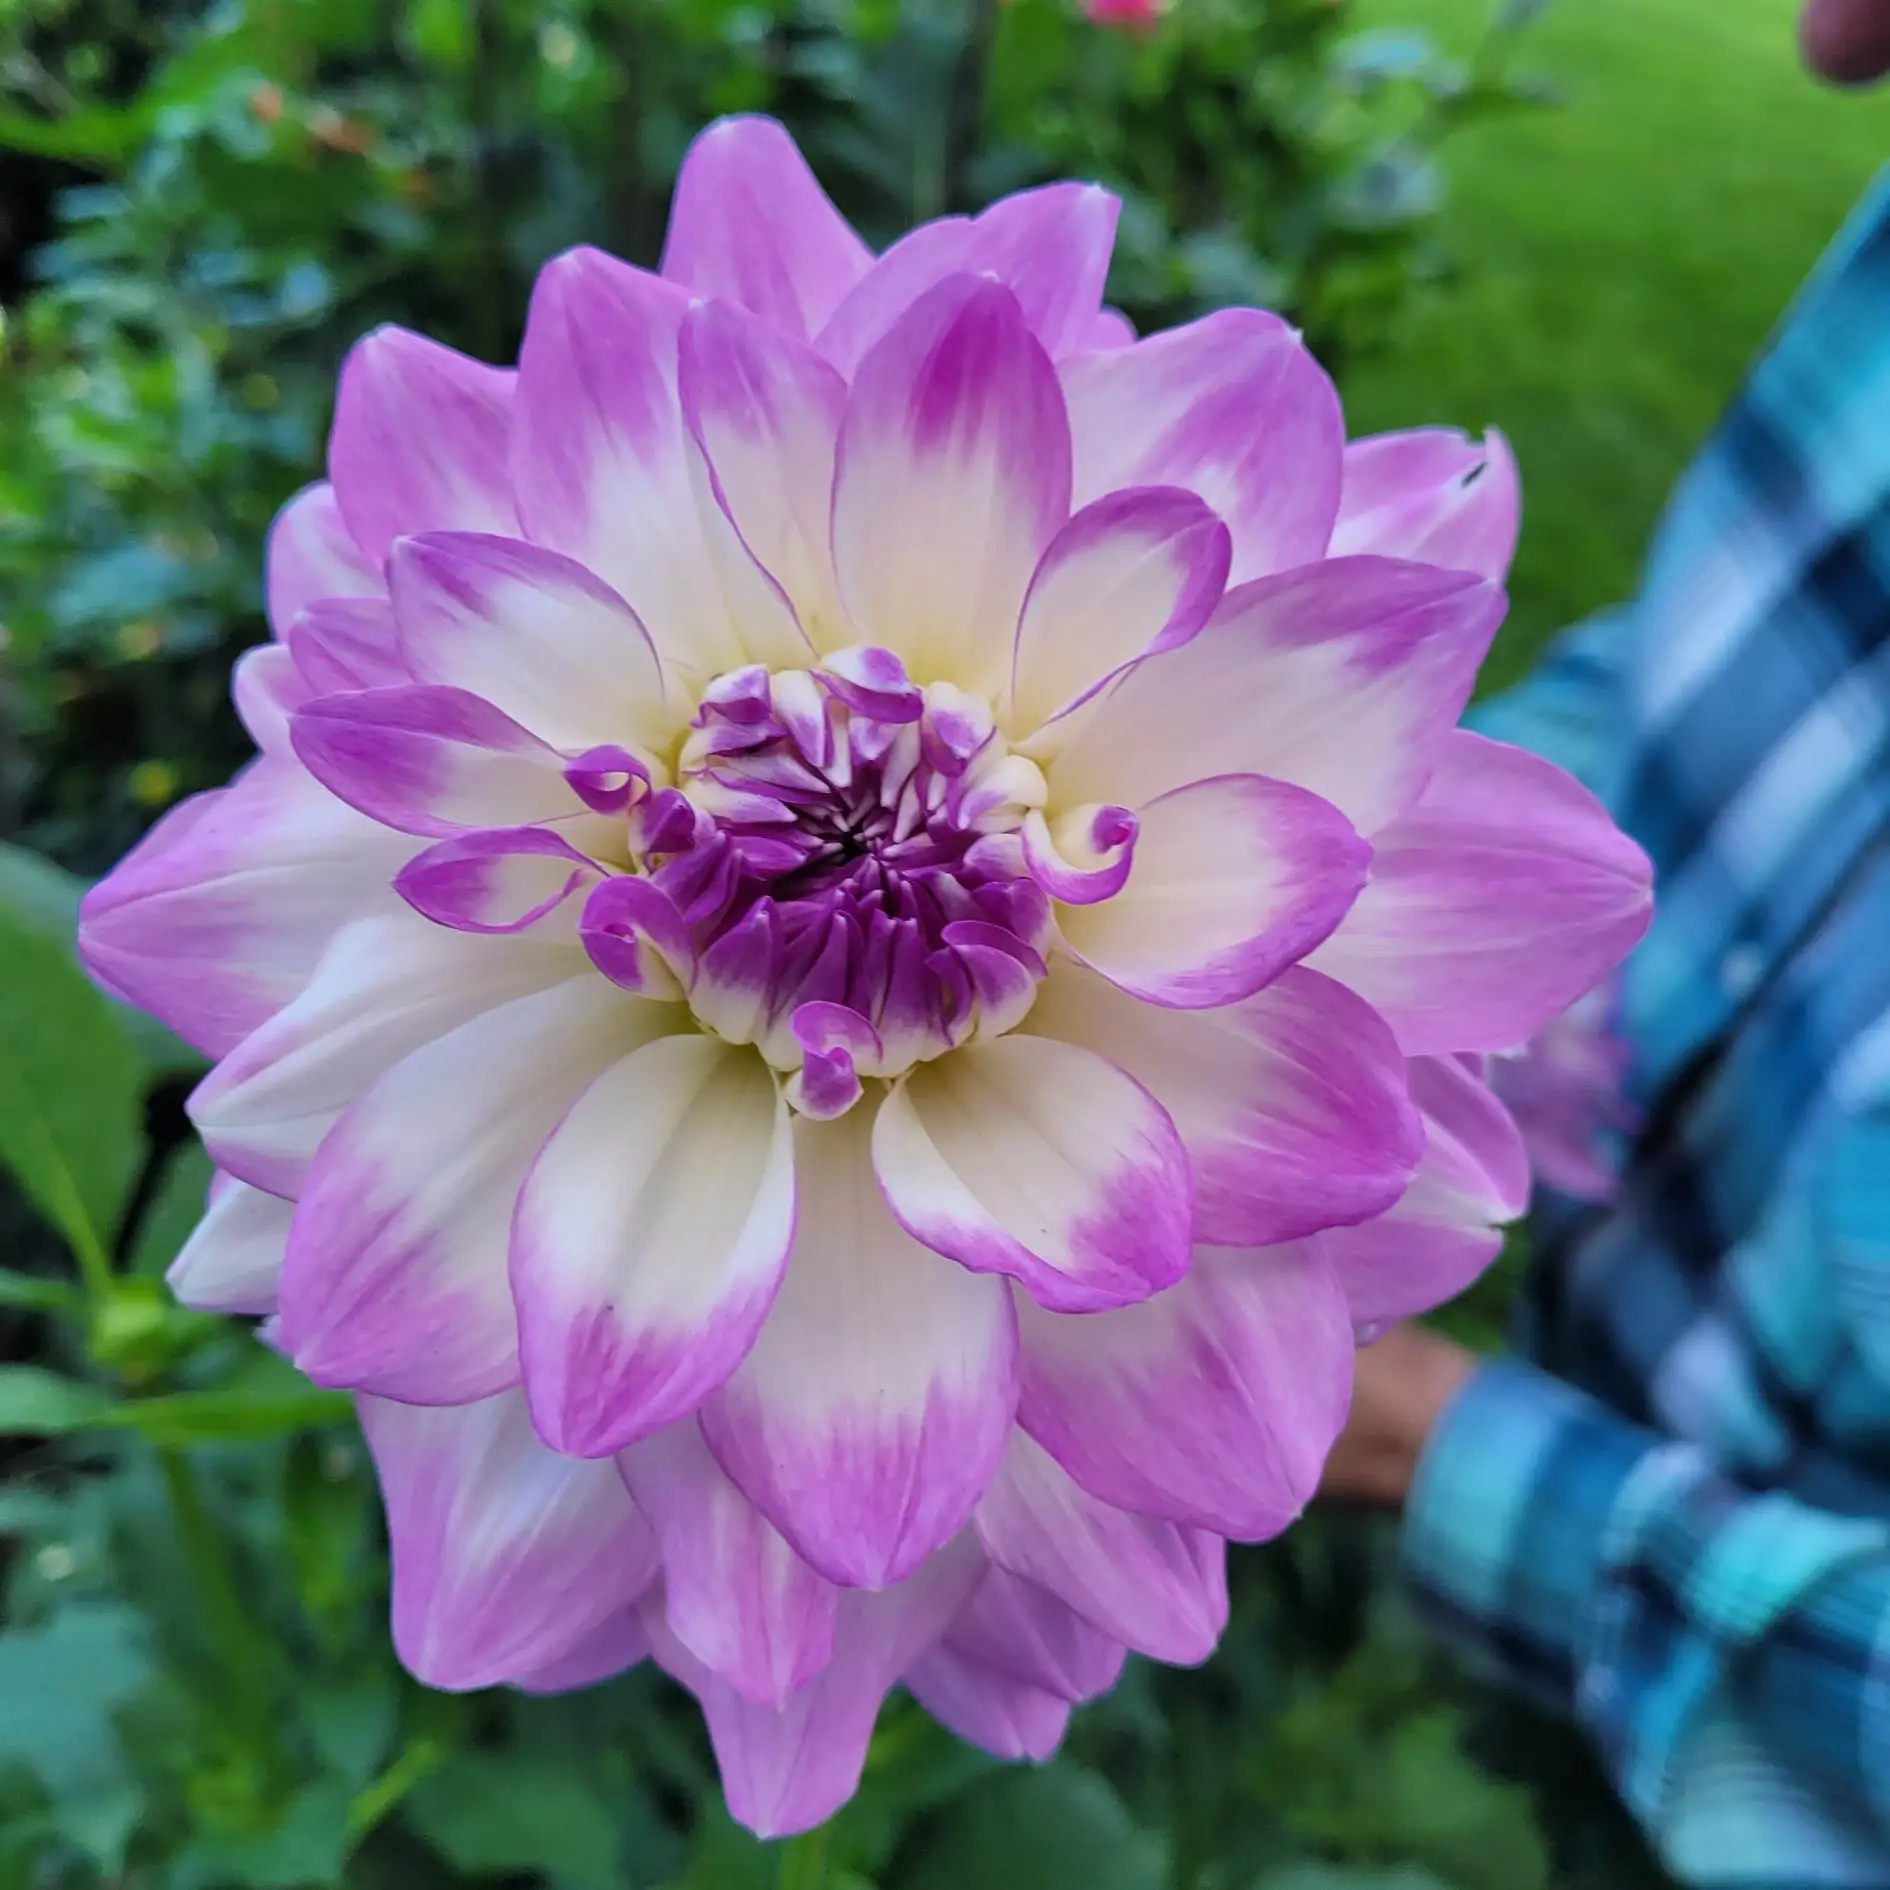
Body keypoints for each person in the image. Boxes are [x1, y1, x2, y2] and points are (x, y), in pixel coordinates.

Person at [1320, 4, 1890, 1884]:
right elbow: (1721, 681)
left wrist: (1443, 1445)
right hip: (1593, 1324)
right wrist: (1297, 834)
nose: (1830, 37)